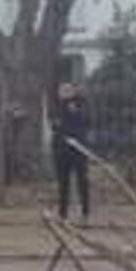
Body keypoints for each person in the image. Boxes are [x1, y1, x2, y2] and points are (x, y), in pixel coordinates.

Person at [51, 82, 91, 223]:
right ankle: (62, 214)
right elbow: (55, 126)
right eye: (62, 90)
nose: (65, 92)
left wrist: (76, 111)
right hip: (61, 150)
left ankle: (85, 213)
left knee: (82, 180)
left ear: (74, 91)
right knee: (63, 182)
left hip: (78, 148)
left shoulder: (81, 105)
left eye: (68, 90)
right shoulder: (56, 107)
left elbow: (87, 121)